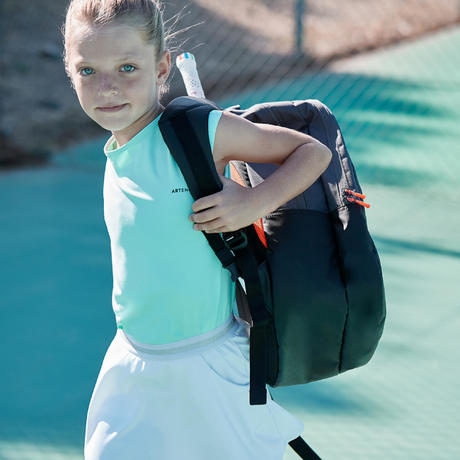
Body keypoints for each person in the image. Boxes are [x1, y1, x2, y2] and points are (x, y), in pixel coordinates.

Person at [62, 1, 332, 458]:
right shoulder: (116, 149)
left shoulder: (199, 131)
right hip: (132, 365)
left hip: (210, 365)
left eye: (127, 68)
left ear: (162, 67)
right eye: (88, 71)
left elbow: (312, 152)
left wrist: (253, 203)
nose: (107, 88)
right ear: (71, 73)